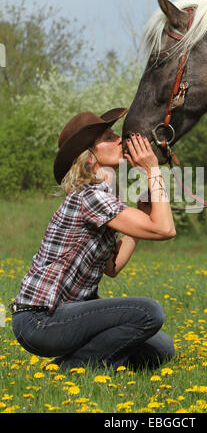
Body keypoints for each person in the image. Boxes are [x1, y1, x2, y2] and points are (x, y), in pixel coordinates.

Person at [10, 108, 176, 371]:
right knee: (148, 313)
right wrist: (153, 169)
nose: (119, 139)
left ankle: (79, 363)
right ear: (89, 159)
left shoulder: (101, 197)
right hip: (41, 319)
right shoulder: (89, 196)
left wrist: (142, 215)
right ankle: (70, 370)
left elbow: (112, 268)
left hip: (64, 316)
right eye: (108, 137)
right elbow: (165, 230)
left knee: (161, 348)